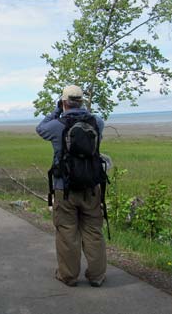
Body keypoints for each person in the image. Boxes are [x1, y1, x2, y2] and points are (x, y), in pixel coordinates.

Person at [36, 85, 106, 287]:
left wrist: (57, 110)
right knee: (93, 232)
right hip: (92, 187)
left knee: (67, 232)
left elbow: (40, 128)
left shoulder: (57, 125)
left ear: (64, 102)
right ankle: (97, 276)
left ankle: (68, 276)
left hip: (64, 188)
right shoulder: (97, 122)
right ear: (82, 101)